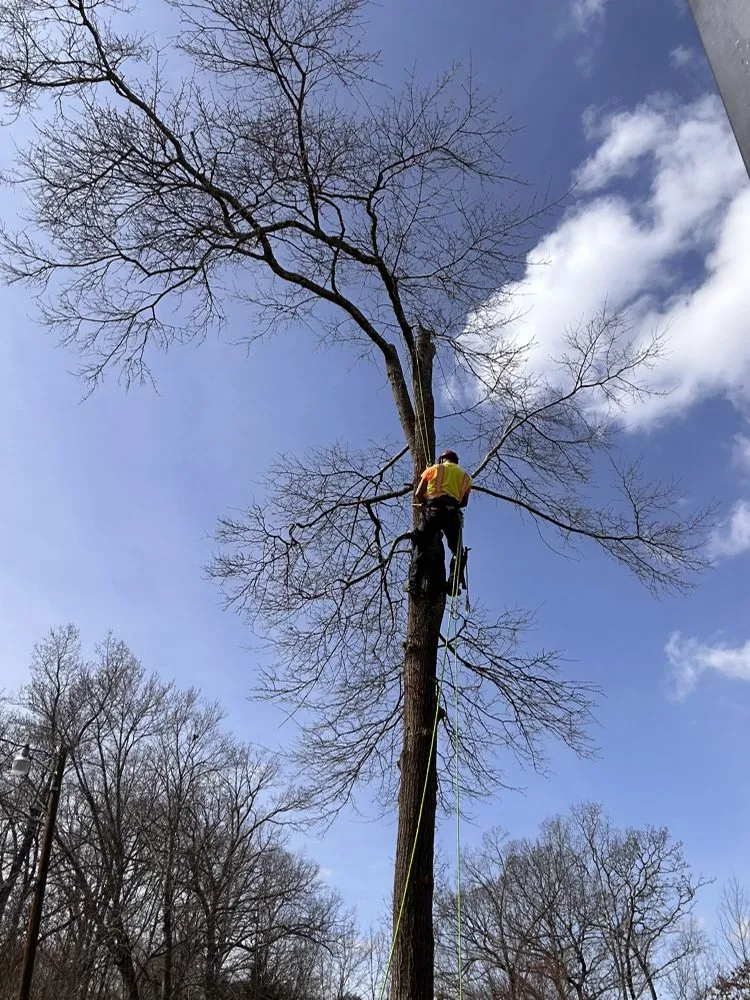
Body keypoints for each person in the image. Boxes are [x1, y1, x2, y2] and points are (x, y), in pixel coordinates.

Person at [407, 450, 471, 596]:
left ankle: (413, 581)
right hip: (452, 515)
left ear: (442, 459)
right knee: (457, 551)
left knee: (421, 542)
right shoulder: (466, 478)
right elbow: (464, 503)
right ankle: (453, 583)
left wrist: (426, 502)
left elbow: (418, 494)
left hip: (433, 512)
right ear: (456, 461)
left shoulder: (433, 469)